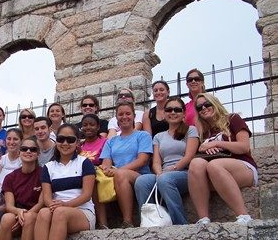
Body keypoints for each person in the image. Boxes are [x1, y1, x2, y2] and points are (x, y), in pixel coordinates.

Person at [30, 123, 96, 240]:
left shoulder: (84, 163)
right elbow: (47, 197)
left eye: (70, 140)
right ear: (56, 141)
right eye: (61, 139)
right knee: (43, 213)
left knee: (60, 213)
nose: (65, 143)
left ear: (77, 142)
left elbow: (86, 194)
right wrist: (53, 205)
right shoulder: (48, 167)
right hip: (57, 209)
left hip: (82, 212)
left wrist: (64, 205)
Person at [188, 93, 258, 225]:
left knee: (214, 165)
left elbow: (244, 147)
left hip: (242, 167)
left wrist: (217, 143)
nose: (203, 108)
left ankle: (244, 215)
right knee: (196, 163)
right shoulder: (203, 131)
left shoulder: (233, 119)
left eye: (207, 104)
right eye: (199, 107)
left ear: (215, 104)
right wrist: (204, 147)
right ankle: (203, 219)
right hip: (213, 173)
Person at [135, 97, 199, 225]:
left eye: (177, 109)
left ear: (184, 114)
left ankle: (180, 224)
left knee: (165, 179)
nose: (173, 112)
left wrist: (173, 169)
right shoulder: (159, 136)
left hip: (185, 172)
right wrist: (159, 173)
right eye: (169, 109)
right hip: (163, 174)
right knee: (142, 181)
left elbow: (189, 156)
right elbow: (157, 162)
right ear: (164, 114)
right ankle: (152, 222)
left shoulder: (190, 130)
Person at [100, 101, 153, 228]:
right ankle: (102, 223)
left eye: (128, 114)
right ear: (116, 118)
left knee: (121, 174)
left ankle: (127, 221)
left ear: (134, 116)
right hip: (118, 174)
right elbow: (106, 162)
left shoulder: (143, 136)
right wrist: (107, 169)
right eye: (121, 114)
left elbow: (142, 160)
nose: (124, 117)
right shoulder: (111, 141)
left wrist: (118, 170)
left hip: (141, 175)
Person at [79, 114, 108, 229]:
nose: (88, 127)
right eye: (85, 125)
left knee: (92, 181)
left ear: (98, 127)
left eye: (92, 124)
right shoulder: (79, 145)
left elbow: (106, 161)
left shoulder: (105, 142)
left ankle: (103, 223)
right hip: (81, 175)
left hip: (99, 173)